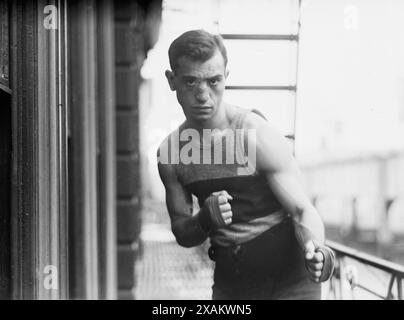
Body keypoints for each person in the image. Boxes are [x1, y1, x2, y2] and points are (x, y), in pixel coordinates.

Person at [157, 29, 335, 300]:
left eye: (214, 81)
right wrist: (205, 218)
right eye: (191, 82)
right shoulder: (171, 153)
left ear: (226, 77)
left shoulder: (254, 133)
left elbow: (302, 210)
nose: (203, 95)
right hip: (234, 281)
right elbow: (182, 232)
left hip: (291, 279)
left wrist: (317, 251)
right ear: (172, 80)